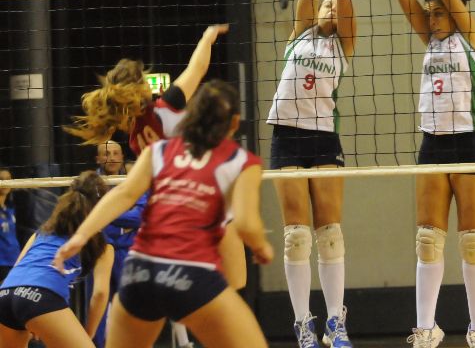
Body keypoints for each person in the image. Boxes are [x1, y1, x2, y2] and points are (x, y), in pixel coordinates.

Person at [54, 80, 274, 348]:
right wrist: (262, 248)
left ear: (192, 115)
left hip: (140, 272)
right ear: (235, 122)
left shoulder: (158, 151)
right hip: (190, 272)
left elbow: (123, 195)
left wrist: (81, 235)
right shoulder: (242, 161)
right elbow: (248, 225)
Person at [359, 0, 475, 348]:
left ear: (453, 12)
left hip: (469, 142)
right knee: (428, 240)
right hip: (433, 143)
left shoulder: (470, 38)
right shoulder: (429, 40)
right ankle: (426, 328)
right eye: (429, 14)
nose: (431, 18)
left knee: (472, 241)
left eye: (439, 12)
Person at [65, 23, 236, 347]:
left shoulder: (135, 139)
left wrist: (83, 232)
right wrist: (207, 36)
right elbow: (197, 68)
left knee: (214, 283)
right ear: (141, 87)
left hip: (178, 211)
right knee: (227, 284)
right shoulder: (166, 106)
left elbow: (129, 191)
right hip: (203, 203)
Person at [267, 0, 357, 348]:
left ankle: (335, 323)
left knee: (330, 234)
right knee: (296, 237)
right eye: (325, 6)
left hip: (323, 136)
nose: (330, 9)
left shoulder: (343, 44)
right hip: (287, 134)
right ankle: (303, 324)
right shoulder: (300, 32)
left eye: (335, 9)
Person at [0, 172, 114, 348]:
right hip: (40, 295)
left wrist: (31, 314)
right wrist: (89, 333)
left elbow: (17, 267)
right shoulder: (102, 245)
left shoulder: (42, 232)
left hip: (5, 295)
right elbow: (99, 294)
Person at [88, 140, 147, 348]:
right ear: (98, 159)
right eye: (106, 153)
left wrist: (105, 213)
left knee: (130, 308)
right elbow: (89, 215)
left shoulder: (134, 179)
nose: (111, 157)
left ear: (122, 157)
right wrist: (122, 217)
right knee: (97, 307)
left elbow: (140, 216)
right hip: (99, 251)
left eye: (115, 153)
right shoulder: (90, 183)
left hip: (127, 253)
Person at [0, 168, 20, 283]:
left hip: (13, 261)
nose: (5, 182)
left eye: (8, 179)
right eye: (1, 179)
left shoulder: (9, 209)